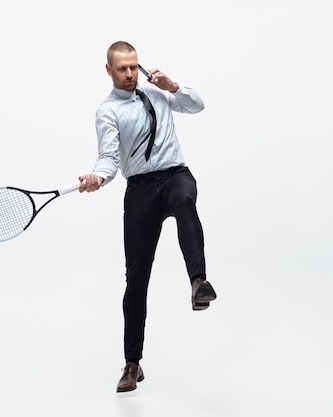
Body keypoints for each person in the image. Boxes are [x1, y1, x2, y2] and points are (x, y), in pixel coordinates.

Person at [78, 41, 217, 393]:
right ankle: (132, 364)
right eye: (122, 69)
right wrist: (97, 177)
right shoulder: (108, 111)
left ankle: (199, 282)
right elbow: (108, 159)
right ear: (108, 70)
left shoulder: (157, 92)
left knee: (186, 201)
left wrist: (172, 86)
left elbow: (197, 105)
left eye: (133, 67)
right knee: (136, 280)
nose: (129, 74)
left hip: (174, 175)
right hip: (140, 189)